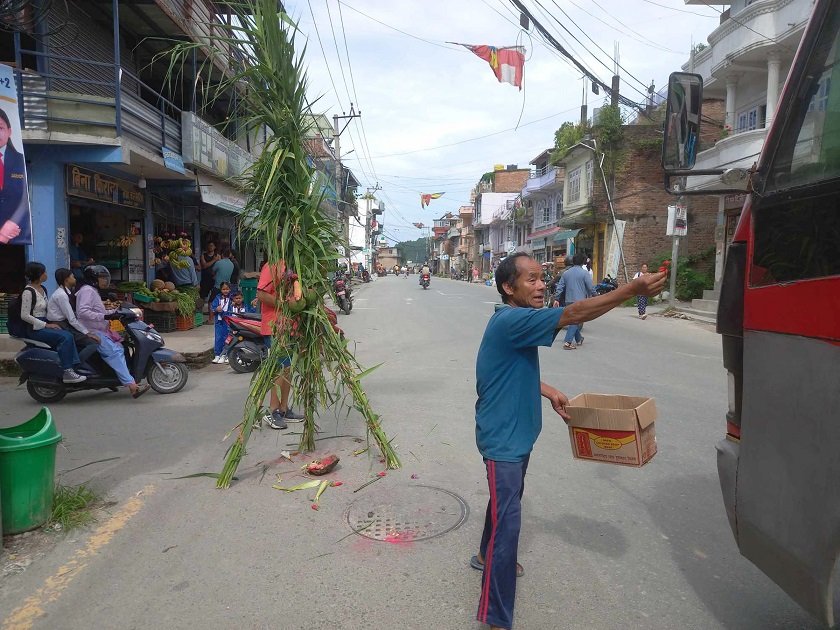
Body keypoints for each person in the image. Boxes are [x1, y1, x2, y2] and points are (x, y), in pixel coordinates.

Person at [471, 253, 666, 630]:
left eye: (543, 278)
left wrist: (545, 390)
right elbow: (576, 314)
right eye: (531, 279)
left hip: (519, 432)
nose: (542, 285)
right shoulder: (512, 319)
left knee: (505, 501)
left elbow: (503, 369)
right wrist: (633, 289)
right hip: (503, 439)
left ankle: (483, 553)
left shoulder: (512, 321)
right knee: (508, 526)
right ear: (509, 288)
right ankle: (494, 617)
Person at [76, 265, 149, 398]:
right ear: (94, 279)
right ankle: (132, 386)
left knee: (122, 347)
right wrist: (104, 316)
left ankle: (113, 377)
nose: (105, 281)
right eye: (102, 278)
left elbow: (100, 311)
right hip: (91, 331)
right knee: (115, 352)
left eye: (105, 278)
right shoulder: (87, 291)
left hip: (100, 329)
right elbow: (83, 312)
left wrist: (116, 312)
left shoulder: (93, 290)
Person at [18, 262, 87, 383]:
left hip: (45, 323)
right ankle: (67, 371)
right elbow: (24, 315)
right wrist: (46, 325)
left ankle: (74, 366)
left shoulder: (42, 289)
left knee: (67, 334)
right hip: (35, 328)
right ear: (38, 274)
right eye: (44, 272)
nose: (46, 274)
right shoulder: (28, 292)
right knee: (66, 337)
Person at [257, 255, 305, 429]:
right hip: (275, 326)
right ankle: (273, 411)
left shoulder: (294, 266)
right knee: (279, 369)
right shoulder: (272, 266)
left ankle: (284, 409)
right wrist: (282, 304)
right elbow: (261, 294)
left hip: (291, 326)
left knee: (288, 368)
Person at [0, 108, 31, 245]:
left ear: (9, 131)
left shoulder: (19, 161)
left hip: (14, 231)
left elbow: (24, 199)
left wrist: (11, 224)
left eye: (0, 128)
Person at [47, 267, 98, 347]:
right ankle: (76, 359)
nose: (75, 279)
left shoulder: (67, 292)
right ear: (66, 280)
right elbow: (72, 319)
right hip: (60, 324)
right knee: (92, 343)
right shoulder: (61, 295)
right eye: (73, 277)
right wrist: (87, 333)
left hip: (65, 323)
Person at [553, 253, 596, 349]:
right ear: (582, 262)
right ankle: (568, 342)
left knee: (573, 319)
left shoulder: (566, 273)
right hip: (580, 301)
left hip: (568, 301)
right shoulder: (584, 273)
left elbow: (560, 287)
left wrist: (556, 299)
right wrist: (596, 296)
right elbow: (590, 287)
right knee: (576, 320)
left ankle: (579, 338)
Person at [211, 281, 233, 364]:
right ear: (220, 290)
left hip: (228, 321)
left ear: (230, 289)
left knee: (227, 337)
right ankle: (217, 355)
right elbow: (213, 306)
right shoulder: (217, 297)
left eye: (227, 289)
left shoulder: (232, 298)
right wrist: (216, 309)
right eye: (223, 289)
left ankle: (226, 354)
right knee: (218, 337)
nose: (225, 291)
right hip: (219, 321)